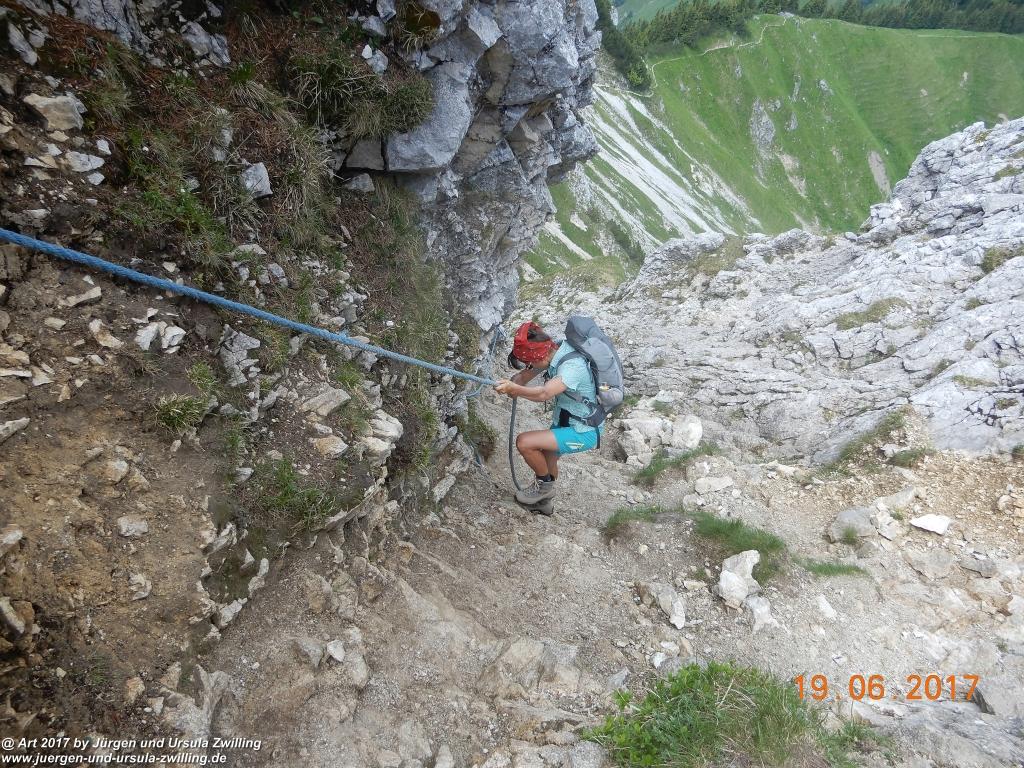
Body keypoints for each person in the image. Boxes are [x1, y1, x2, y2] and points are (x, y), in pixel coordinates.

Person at [494, 321, 604, 512]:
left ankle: (544, 488)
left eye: (530, 363)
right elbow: (524, 376)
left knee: (524, 442)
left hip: (583, 431)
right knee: (547, 458)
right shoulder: (554, 350)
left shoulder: (572, 367)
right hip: (566, 421)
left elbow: (544, 393)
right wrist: (512, 384)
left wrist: (516, 390)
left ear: (541, 356)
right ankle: (544, 504)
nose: (529, 367)